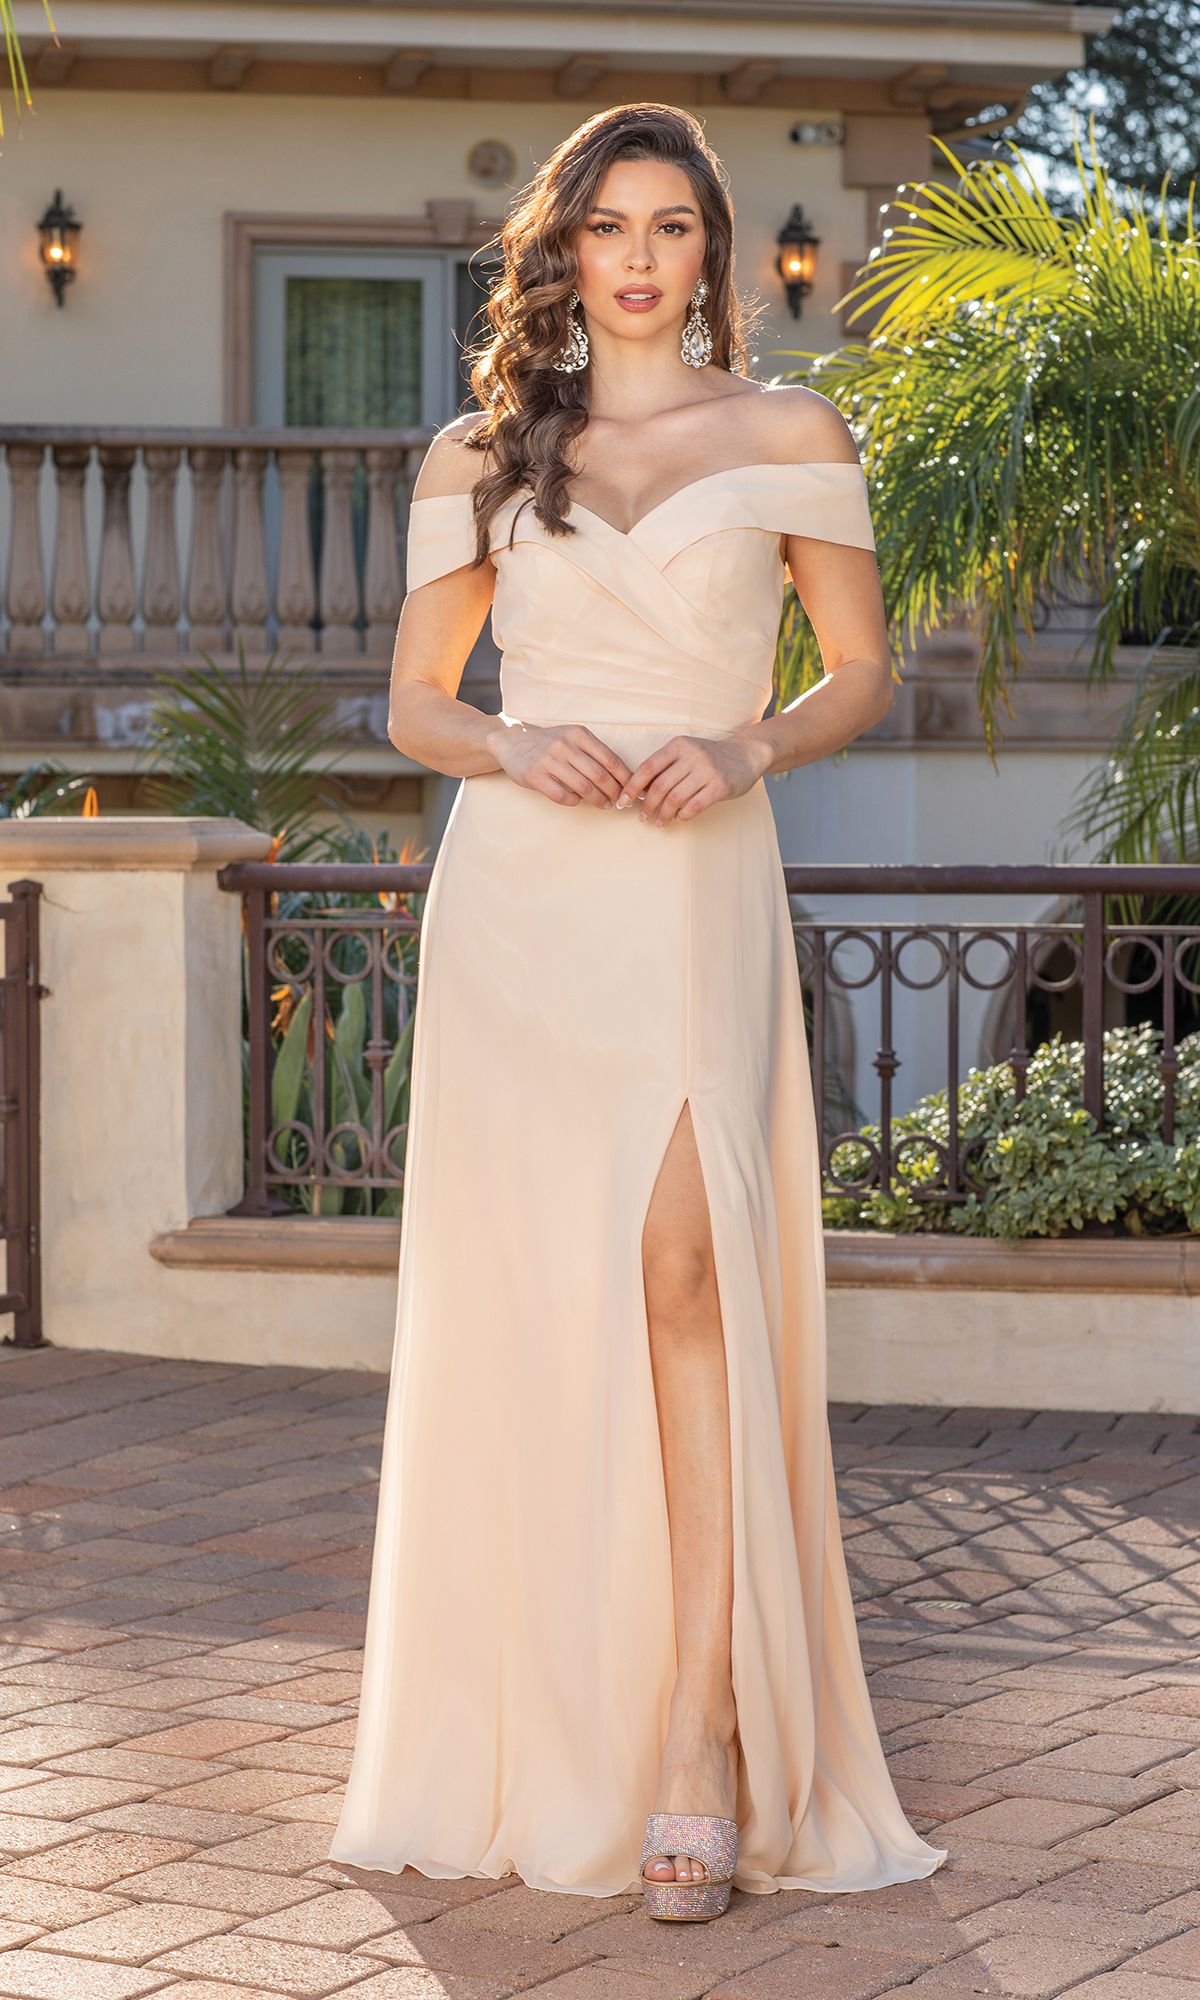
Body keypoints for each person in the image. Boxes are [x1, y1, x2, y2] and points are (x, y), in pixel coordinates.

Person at [329, 100, 948, 1922]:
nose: (640, 256)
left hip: (692, 884)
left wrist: (741, 742)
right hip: (525, 895)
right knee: (538, 1304)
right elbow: (417, 708)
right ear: (567, 247)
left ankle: (702, 1734)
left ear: (712, 253)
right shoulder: (478, 452)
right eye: (609, 225)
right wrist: (513, 740)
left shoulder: (789, 433)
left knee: (689, 1266)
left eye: (673, 226)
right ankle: (548, 1720)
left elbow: (856, 669)